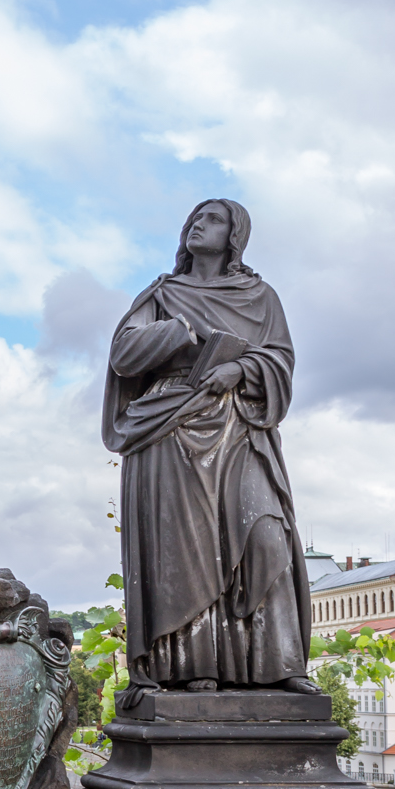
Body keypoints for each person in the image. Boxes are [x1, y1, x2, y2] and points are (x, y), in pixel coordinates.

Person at [101, 198, 318, 699]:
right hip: (171, 424)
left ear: (235, 234)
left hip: (240, 422)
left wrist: (240, 369)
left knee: (266, 533)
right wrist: (177, 330)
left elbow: (281, 359)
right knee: (185, 550)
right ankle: (191, 667)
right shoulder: (162, 293)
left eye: (213, 219)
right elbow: (123, 354)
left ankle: (279, 662)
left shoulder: (260, 296)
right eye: (195, 219)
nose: (199, 224)